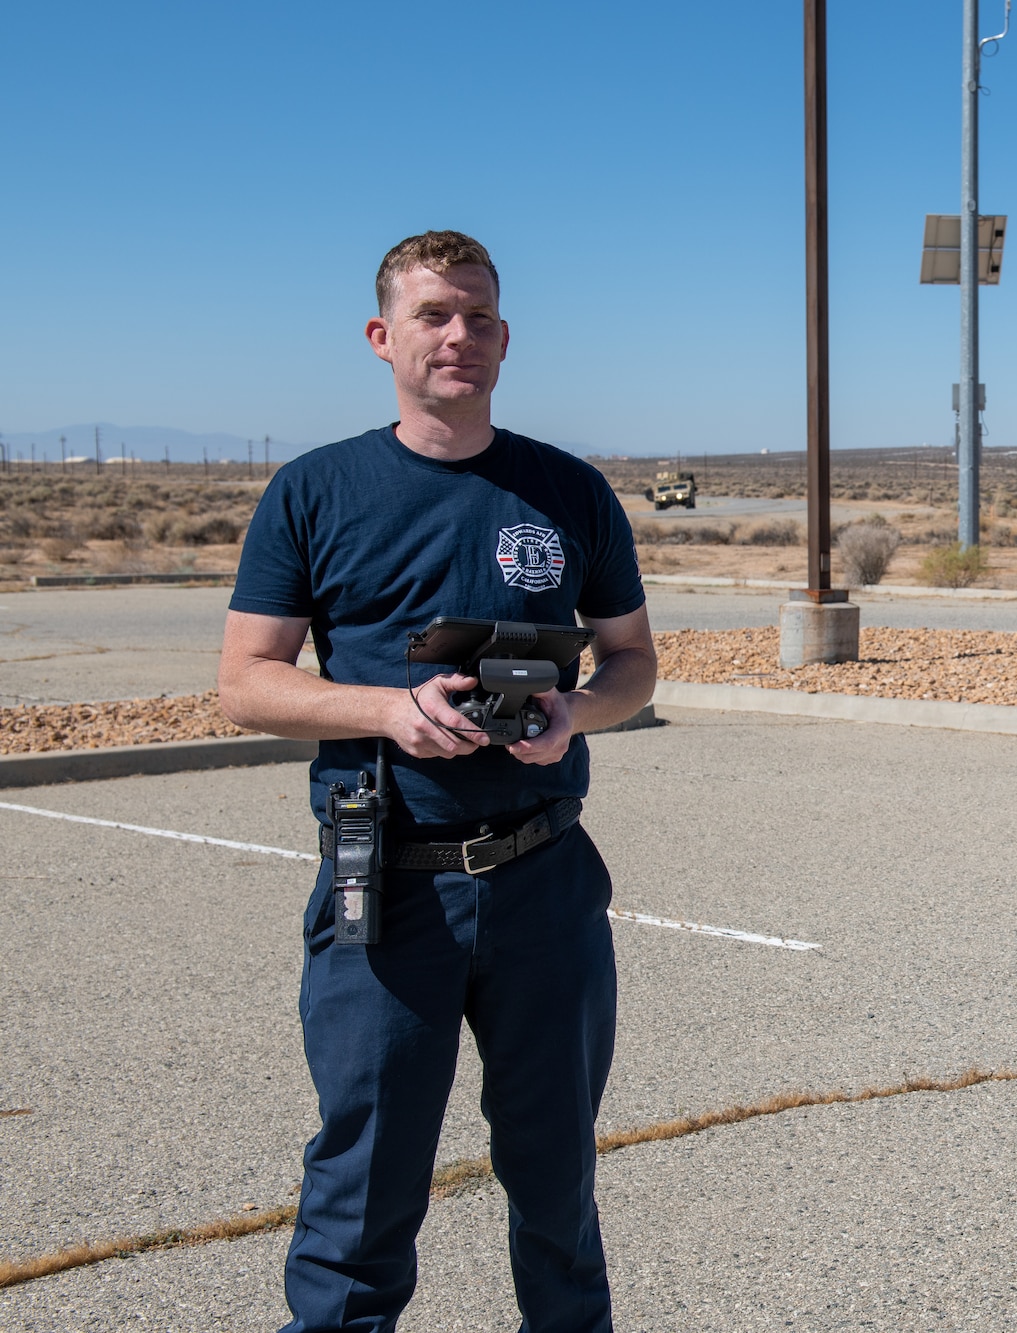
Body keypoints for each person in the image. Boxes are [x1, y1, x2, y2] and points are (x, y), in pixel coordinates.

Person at [218, 230, 656, 1332]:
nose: (457, 334)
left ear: (504, 338)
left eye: (477, 316)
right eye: (432, 315)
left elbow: (633, 661)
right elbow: (246, 685)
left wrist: (576, 715)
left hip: (543, 879)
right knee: (362, 1193)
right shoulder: (315, 490)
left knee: (556, 1178)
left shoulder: (566, 490)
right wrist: (387, 711)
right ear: (383, 337)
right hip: (388, 888)